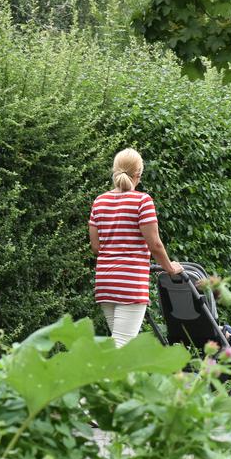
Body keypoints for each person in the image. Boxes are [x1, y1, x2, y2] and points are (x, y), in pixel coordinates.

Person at [88, 148, 183, 347]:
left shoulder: (100, 201)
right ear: (138, 174)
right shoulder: (142, 201)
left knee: (119, 343)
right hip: (130, 283)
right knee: (121, 348)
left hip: (105, 282)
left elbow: (95, 247)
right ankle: (96, 377)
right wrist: (170, 268)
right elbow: (155, 244)